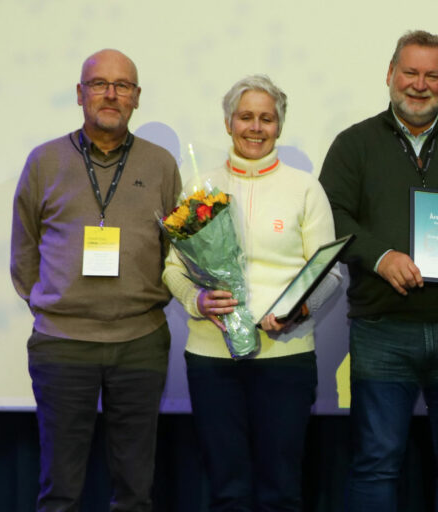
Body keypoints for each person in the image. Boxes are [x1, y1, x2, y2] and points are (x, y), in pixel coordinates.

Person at [318, 30, 438, 512]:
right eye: (411, 72)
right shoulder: (354, 143)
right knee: (376, 463)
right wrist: (381, 256)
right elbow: (333, 219)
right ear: (390, 74)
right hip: (383, 330)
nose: (420, 85)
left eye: (433, 75)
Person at [10, 49, 181, 511]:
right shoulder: (44, 161)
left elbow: (176, 252)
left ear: (137, 98)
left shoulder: (161, 165)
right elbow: (24, 251)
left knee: (134, 490)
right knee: (61, 490)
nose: (111, 94)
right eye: (100, 84)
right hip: (63, 343)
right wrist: (57, 305)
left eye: (122, 85)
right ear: (80, 94)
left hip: (140, 340)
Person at [162, 75, 340, 511]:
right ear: (228, 123)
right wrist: (196, 302)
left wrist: (299, 311)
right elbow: (172, 269)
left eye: (266, 118)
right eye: (246, 117)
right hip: (212, 360)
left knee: (281, 490)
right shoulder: (200, 189)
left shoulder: (305, 188)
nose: (255, 127)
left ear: (279, 126)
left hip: (286, 356)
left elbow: (330, 276)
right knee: (228, 490)